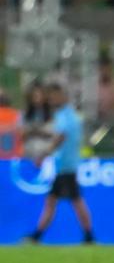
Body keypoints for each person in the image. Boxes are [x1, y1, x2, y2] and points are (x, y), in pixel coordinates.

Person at [25, 81, 94, 244]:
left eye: (54, 97)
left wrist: (43, 155)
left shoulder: (65, 116)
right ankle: (38, 235)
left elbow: (60, 137)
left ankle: (88, 235)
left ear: (62, 96)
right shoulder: (69, 115)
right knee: (54, 201)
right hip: (65, 165)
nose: (51, 100)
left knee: (75, 201)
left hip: (66, 165)